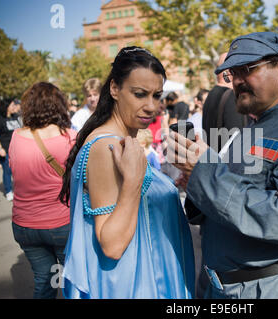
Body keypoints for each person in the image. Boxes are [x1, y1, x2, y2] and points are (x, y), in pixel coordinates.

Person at [168, 32, 278, 299]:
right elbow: (234, 199)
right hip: (222, 286)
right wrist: (195, 182)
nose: (237, 81)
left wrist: (206, 174)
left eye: (246, 70)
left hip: (272, 288)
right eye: (232, 73)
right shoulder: (250, 128)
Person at [58, 46, 194, 299]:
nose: (151, 106)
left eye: (157, 95)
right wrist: (133, 181)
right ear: (114, 89)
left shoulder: (119, 140)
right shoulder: (106, 147)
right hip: (133, 286)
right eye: (140, 94)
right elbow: (112, 244)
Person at [8, 82, 76, 299]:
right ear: (60, 106)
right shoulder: (70, 137)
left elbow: (14, 171)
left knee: (43, 282)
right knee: (71, 282)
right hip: (61, 223)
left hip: (23, 225)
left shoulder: (16, 137)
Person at [202, 52, 248, 153]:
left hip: (214, 159)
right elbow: (236, 138)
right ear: (229, 72)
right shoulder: (231, 96)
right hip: (227, 163)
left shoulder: (211, 95)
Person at [0, 98, 22, 201]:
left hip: (18, 149)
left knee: (19, 171)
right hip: (5, 149)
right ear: (6, 107)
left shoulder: (15, 117)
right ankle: (8, 191)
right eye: (12, 105)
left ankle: (19, 190)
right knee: (7, 171)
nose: (15, 107)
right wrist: (0, 148)